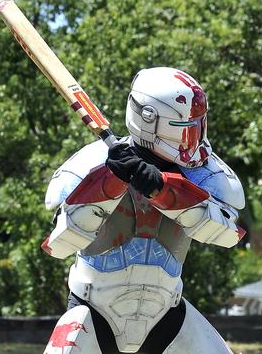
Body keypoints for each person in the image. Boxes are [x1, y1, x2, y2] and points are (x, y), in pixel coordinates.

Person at [41, 67, 246, 353]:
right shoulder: (96, 162)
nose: (192, 140)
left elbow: (227, 234)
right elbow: (60, 244)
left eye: (196, 127)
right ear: (149, 119)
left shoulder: (202, 172)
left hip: (166, 315)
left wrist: (162, 188)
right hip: (94, 312)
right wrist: (108, 184)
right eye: (184, 129)